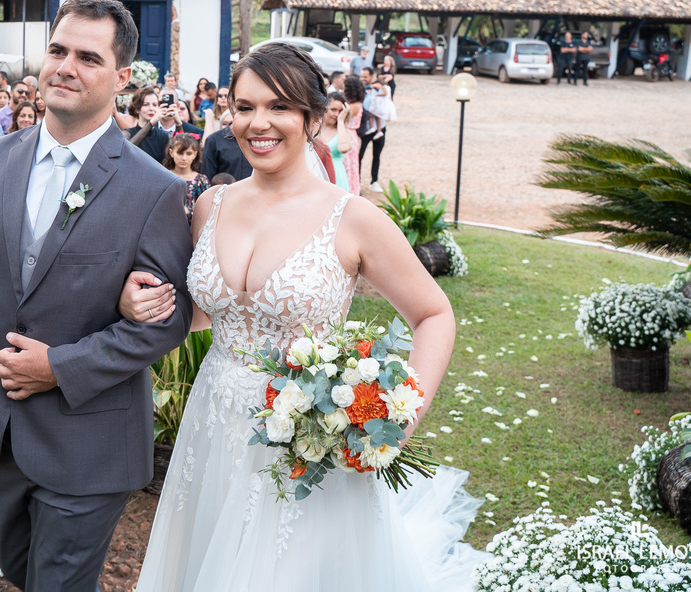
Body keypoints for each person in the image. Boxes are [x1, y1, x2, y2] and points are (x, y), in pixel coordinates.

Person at [123, 41, 480, 591]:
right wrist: (136, 303)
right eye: (244, 107)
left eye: (279, 107)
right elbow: (202, 316)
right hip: (213, 426)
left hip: (307, 441)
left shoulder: (354, 219)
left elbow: (433, 314)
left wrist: (396, 423)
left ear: (313, 118)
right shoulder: (210, 206)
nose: (258, 123)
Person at [0, 0, 194, 592]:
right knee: (22, 573)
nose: (66, 66)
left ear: (122, 78)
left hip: (89, 437)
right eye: (58, 50)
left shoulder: (154, 190)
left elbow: (162, 321)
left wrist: (59, 366)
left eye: (88, 58)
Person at [163, 132, 209, 224]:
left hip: (193, 231)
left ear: (195, 155)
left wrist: (189, 212)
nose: (184, 158)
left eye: (188, 153)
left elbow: (208, 210)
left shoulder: (201, 180)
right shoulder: (164, 177)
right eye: (180, 153)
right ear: (171, 152)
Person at [125, 86, 169, 161]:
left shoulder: (163, 136)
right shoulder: (128, 133)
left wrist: (179, 123)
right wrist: (151, 123)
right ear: (137, 109)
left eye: (155, 105)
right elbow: (127, 150)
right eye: (146, 104)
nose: (151, 108)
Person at [322, 91, 355, 191]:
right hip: (315, 176)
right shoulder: (313, 129)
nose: (337, 114)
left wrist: (341, 121)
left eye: (341, 111)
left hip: (337, 178)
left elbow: (343, 148)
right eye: (333, 110)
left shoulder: (344, 132)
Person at [341, 74, 365, 195]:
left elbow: (342, 119)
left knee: (348, 165)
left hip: (348, 135)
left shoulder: (355, 105)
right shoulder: (353, 103)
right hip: (348, 134)